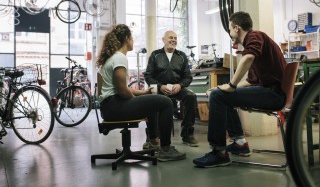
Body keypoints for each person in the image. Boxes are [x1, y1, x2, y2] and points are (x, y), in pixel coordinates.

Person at [193, 11, 287, 167]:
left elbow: (248, 58)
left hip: (274, 94)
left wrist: (230, 86)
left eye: (229, 29)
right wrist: (223, 87)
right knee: (220, 94)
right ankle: (239, 144)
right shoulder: (256, 44)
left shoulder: (254, 36)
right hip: (273, 92)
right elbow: (250, 81)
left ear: (236, 28)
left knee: (217, 97)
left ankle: (219, 153)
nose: (229, 33)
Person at [96, 24, 186, 162]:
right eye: (132, 38)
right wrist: (134, 99)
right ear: (126, 39)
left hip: (110, 106)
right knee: (166, 102)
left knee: (152, 100)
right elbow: (122, 90)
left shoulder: (113, 57)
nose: (133, 41)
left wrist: (143, 93)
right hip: (114, 106)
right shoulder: (120, 58)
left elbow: (122, 87)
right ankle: (166, 149)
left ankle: (153, 141)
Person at [144, 30, 199, 147]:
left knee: (191, 96)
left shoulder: (182, 56)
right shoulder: (155, 55)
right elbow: (148, 75)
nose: (173, 40)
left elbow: (188, 77)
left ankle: (187, 134)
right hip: (160, 88)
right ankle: (151, 136)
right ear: (163, 40)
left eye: (175, 38)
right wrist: (160, 86)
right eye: (170, 38)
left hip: (176, 88)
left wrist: (180, 85)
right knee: (150, 99)